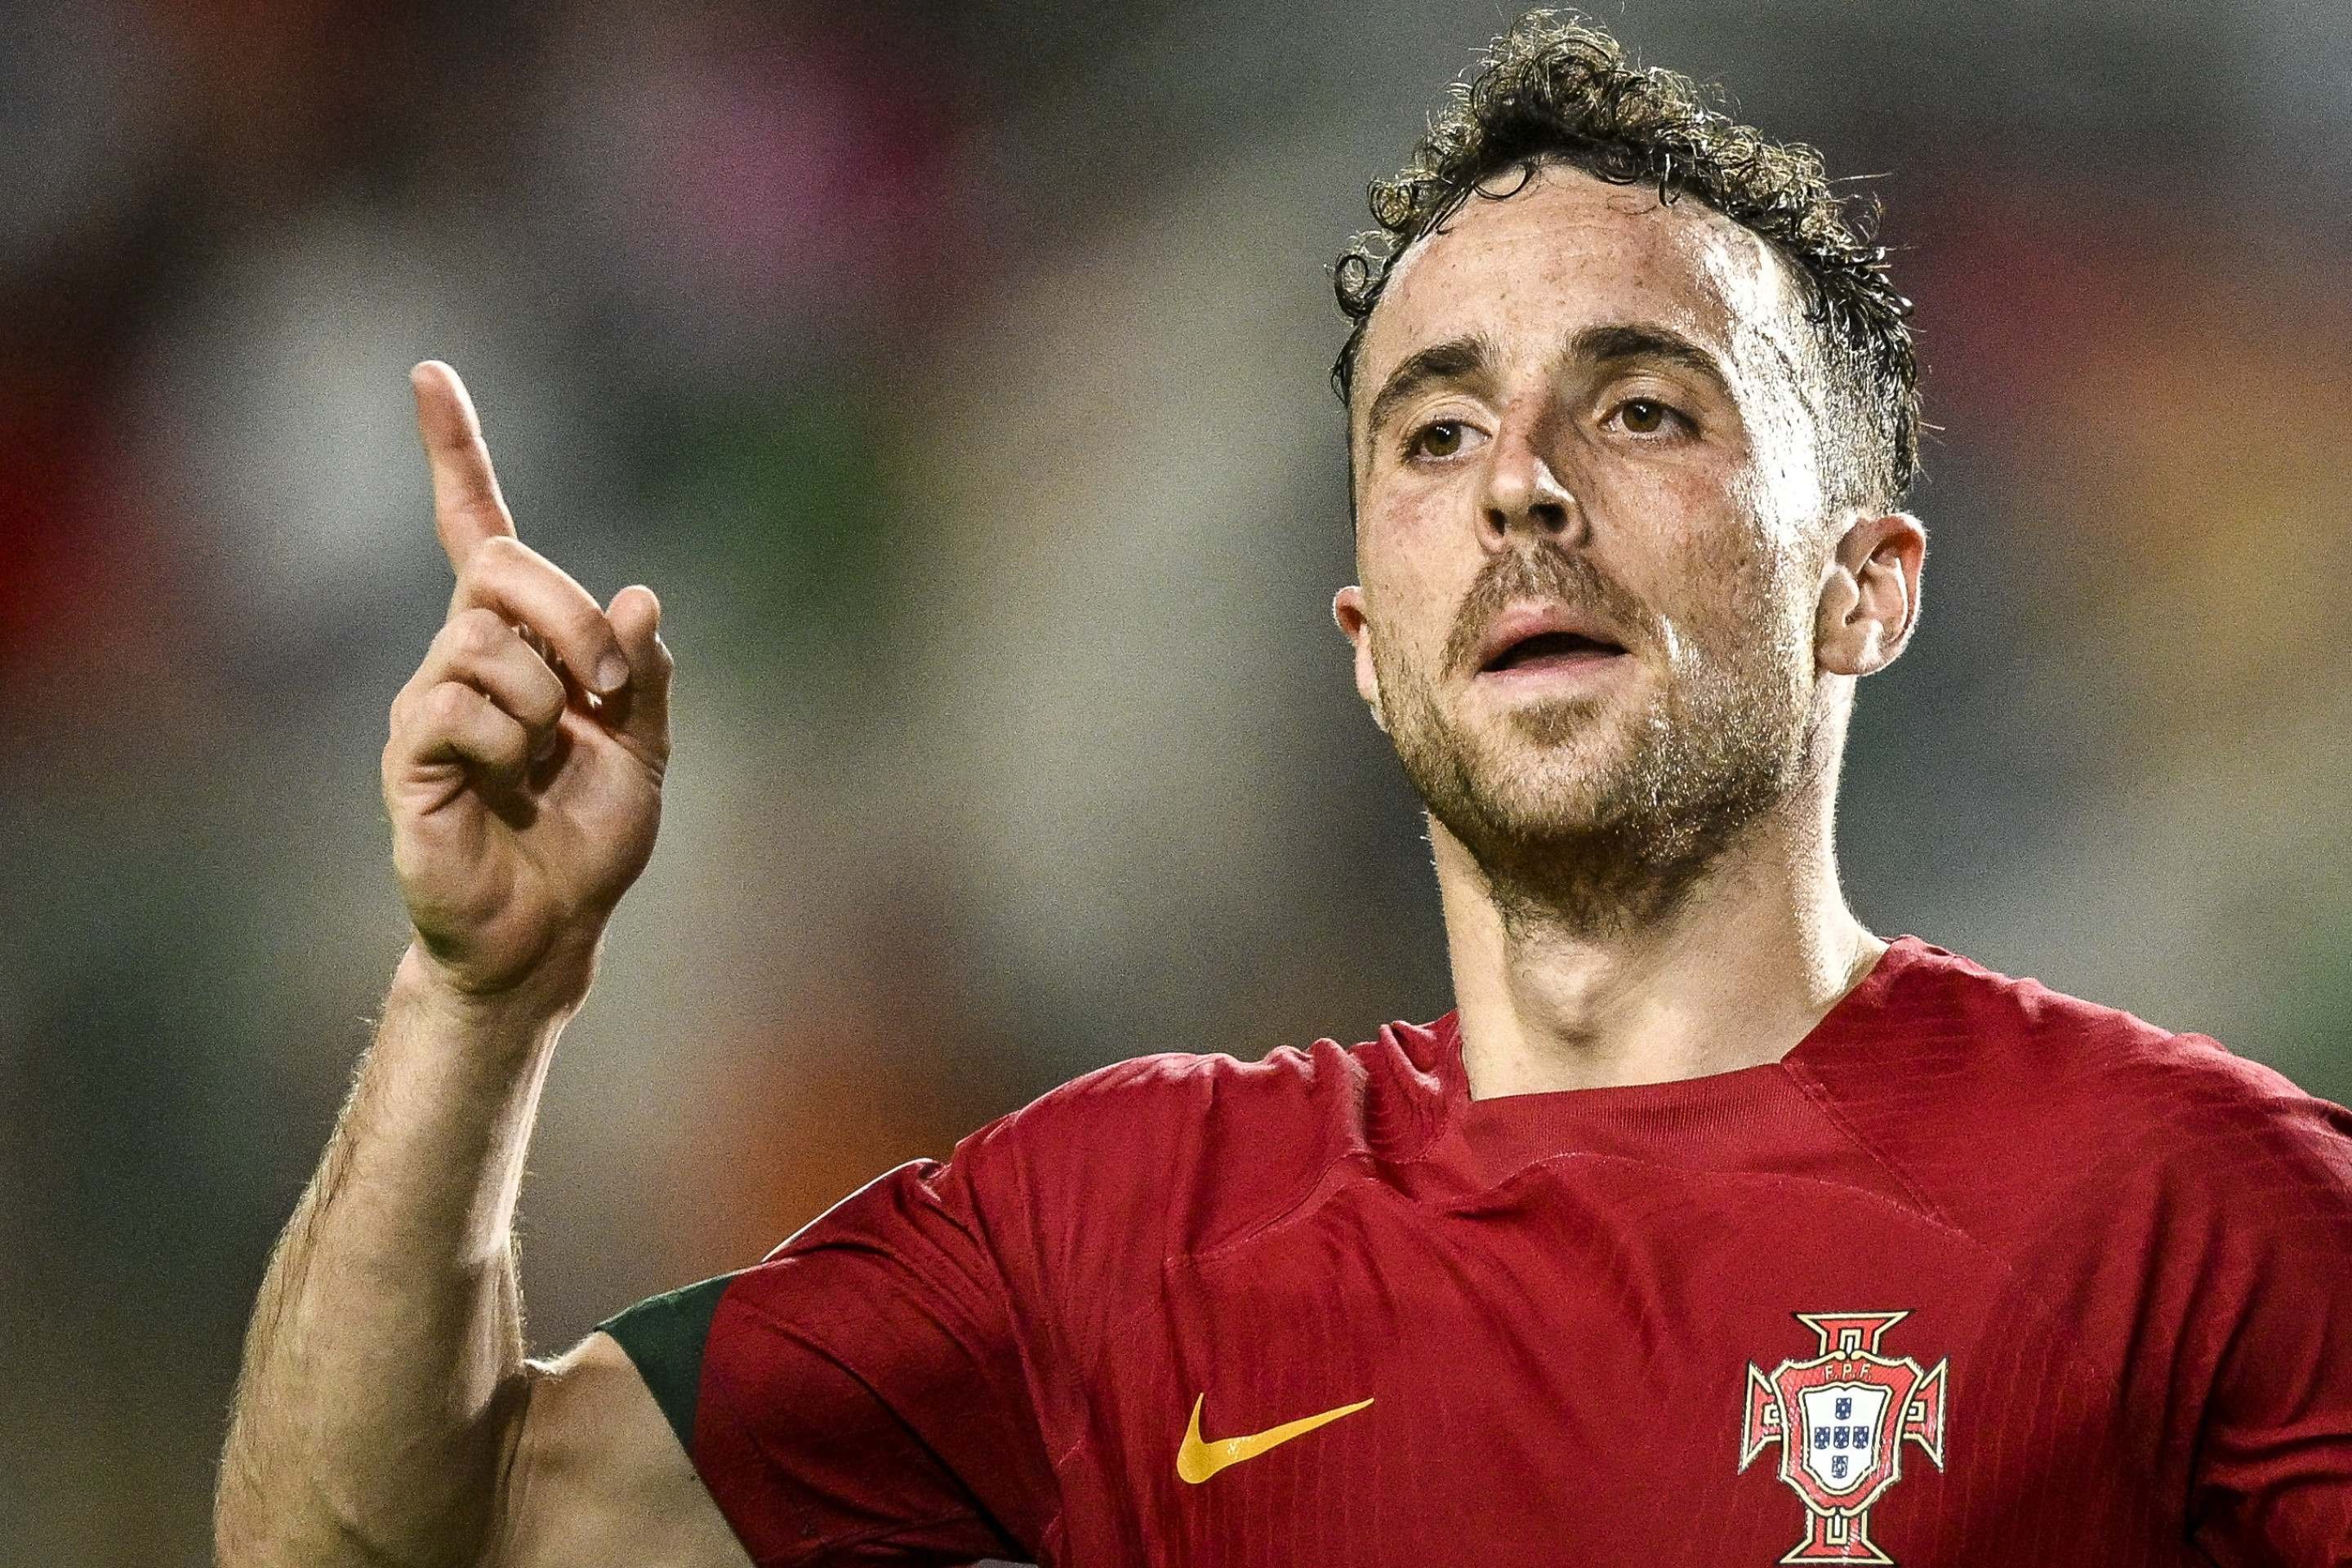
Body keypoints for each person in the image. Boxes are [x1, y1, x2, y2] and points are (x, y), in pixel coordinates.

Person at [215, 12, 2352, 1567]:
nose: (1521, 486)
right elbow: (387, 1541)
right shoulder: (1113, 1234)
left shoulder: (2196, 1215)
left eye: (1640, 404)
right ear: (1365, 637)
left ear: (1865, 586)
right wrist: (475, 1005)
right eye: (1434, 432)